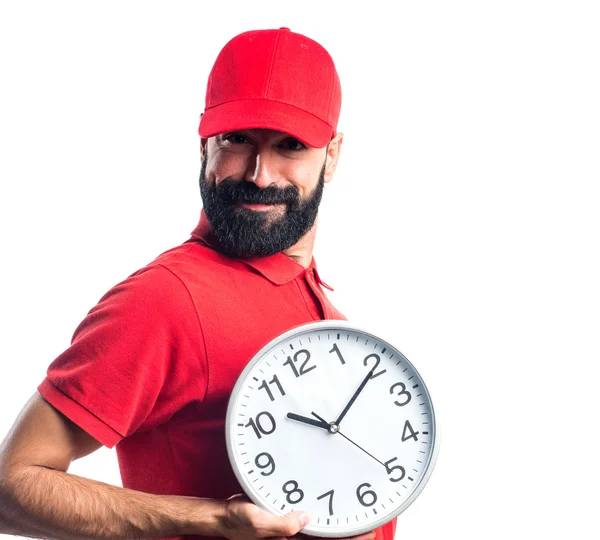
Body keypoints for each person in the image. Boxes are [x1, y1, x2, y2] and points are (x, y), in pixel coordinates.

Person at [0, 27, 397, 540]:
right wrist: (209, 518)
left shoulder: (322, 310)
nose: (259, 174)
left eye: (290, 145)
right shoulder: (166, 299)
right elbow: (11, 486)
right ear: (204, 143)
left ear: (334, 154)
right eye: (238, 140)